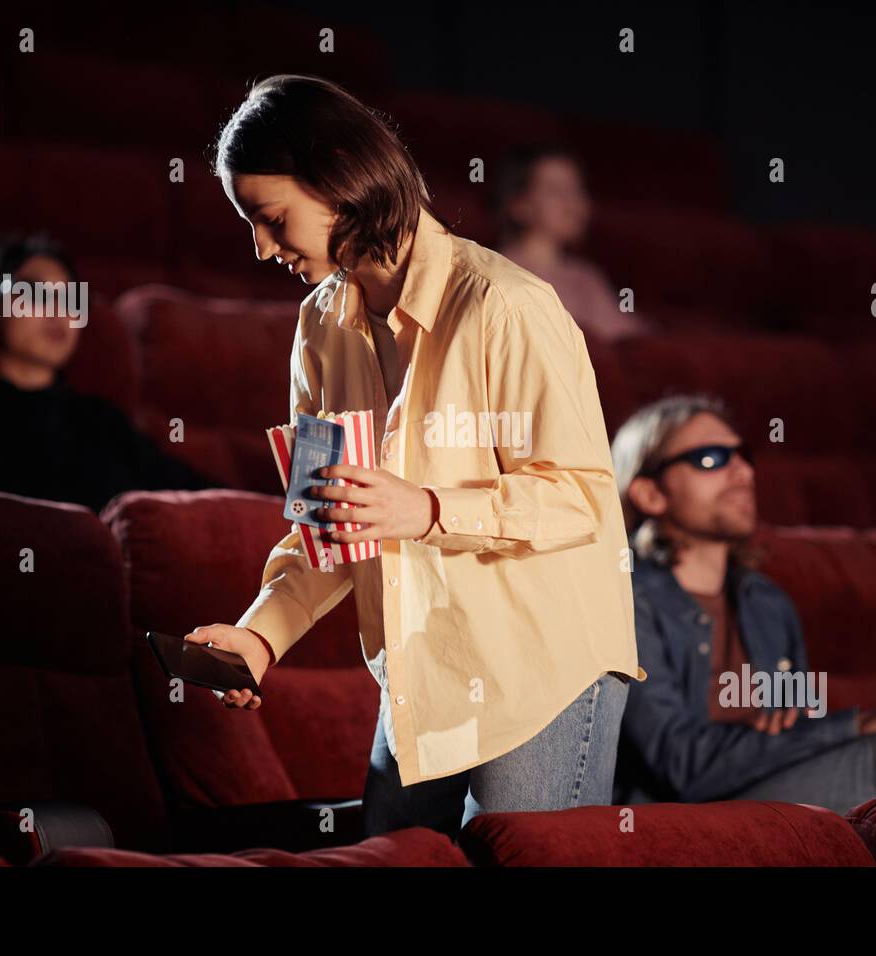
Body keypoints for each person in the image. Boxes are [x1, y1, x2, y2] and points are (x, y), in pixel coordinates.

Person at [184, 74, 646, 841]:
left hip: (544, 669)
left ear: (338, 181)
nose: (261, 249)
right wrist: (260, 636)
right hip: (422, 673)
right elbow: (327, 521)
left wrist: (426, 510)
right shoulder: (318, 326)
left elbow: (581, 497)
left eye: (270, 219)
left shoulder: (506, 304)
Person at [611, 393, 876, 815]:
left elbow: (795, 728)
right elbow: (679, 762)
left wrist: (813, 731)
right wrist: (854, 726)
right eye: (712, 459)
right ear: (649, 493)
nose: (743, 472)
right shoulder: (625, 597)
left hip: (766, 788)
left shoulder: (768, 604)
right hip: (671, 811)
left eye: (743, 455)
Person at [0, 233, 215, 513]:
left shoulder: (105, 423)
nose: (58, 310)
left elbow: (196, 494)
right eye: (34, 292)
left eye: (70, 298)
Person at [493, 142, 654, 343]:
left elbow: (628, 335)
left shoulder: (584, 275)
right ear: (519, 204)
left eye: (577, 190)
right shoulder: (499, 271)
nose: (573, 202)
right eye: (555, 190)